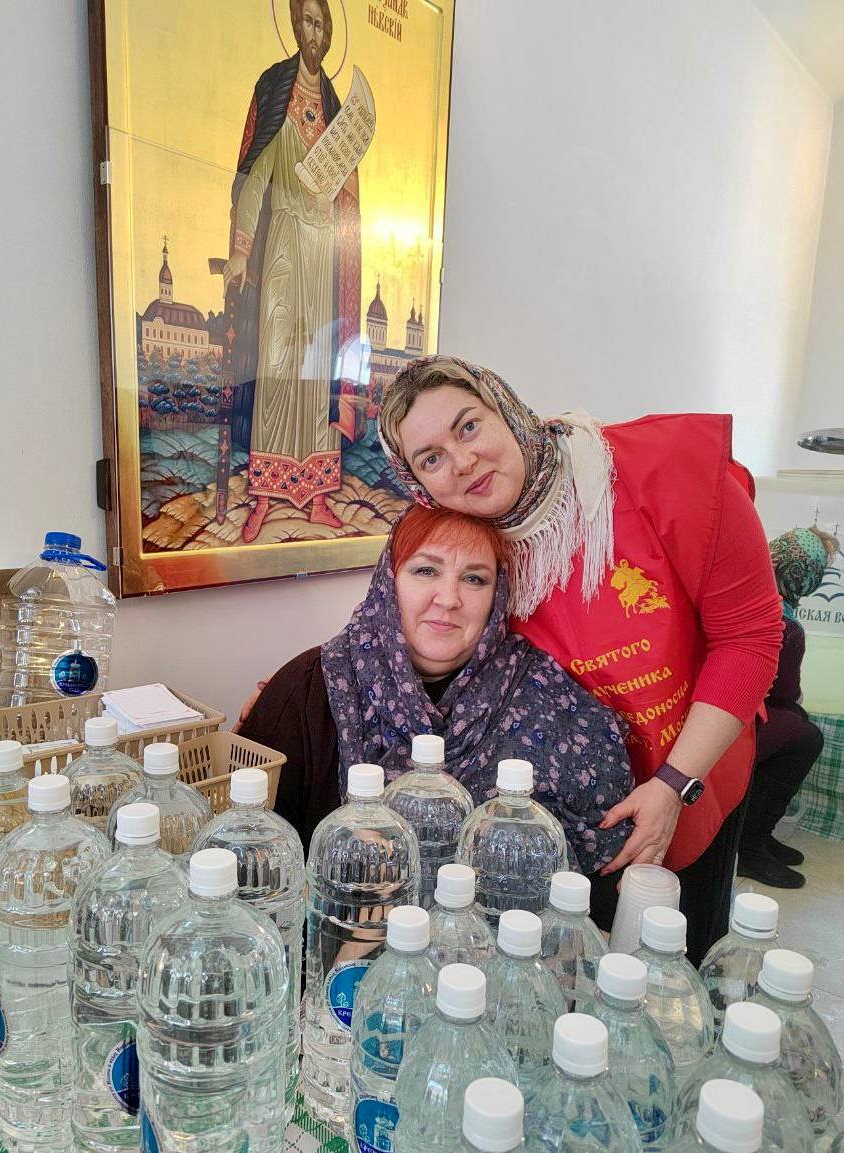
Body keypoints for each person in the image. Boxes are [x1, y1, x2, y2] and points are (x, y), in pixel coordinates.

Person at [377, 355, 783, 964]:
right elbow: (412, 621)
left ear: (508, 410)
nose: (462, 462)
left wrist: (674, 784)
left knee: (676, 962)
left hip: (694, 763)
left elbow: (750, 638)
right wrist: (314, 679)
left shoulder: (666, 471)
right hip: (567, 805)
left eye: (469, 427)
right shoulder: (474, 538)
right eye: (430, 458)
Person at [238, 503, 634, 882]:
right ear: (389, 580)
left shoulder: (543, 695)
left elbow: (603, 857)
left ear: (497, 595)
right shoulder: (309, 690)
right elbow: (252, 861)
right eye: (426, 571)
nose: (448, 599)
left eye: (474, 579)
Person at [224, 0, 363, 540]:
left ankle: (318, 494)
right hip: (282, 243)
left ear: (328, 35)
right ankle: (265, 495)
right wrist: (241, 248)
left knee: (317, 365)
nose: (313, 32)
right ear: (294, 26)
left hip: (324, 251)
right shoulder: (275, 90)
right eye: (306, 20)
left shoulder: (334, 109)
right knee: (278, 361)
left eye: (321, 24)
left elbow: (347, 197)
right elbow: (254, 178)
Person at [737, 525, 839, 888]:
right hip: (725, 721)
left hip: (706, 708)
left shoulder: (743, 588)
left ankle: (755, 835)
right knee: (804, 736)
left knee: (796, 724)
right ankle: (749, 846)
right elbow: (784, 693)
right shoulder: (785, 624)